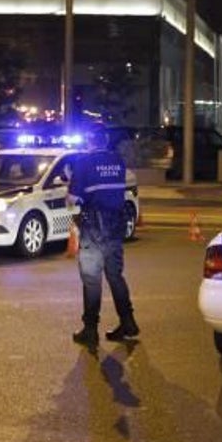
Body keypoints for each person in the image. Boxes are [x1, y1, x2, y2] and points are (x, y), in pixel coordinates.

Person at [67, 130, 139, 348]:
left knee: (91, 280)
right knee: (115, 276)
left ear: (89, 141)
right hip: (116, 225)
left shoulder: (83, 163)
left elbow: (72, 200)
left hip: (94, 226)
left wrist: (71, 181)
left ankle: (90, 330)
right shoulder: (117, 161)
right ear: (105, 141)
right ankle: (128, 322)